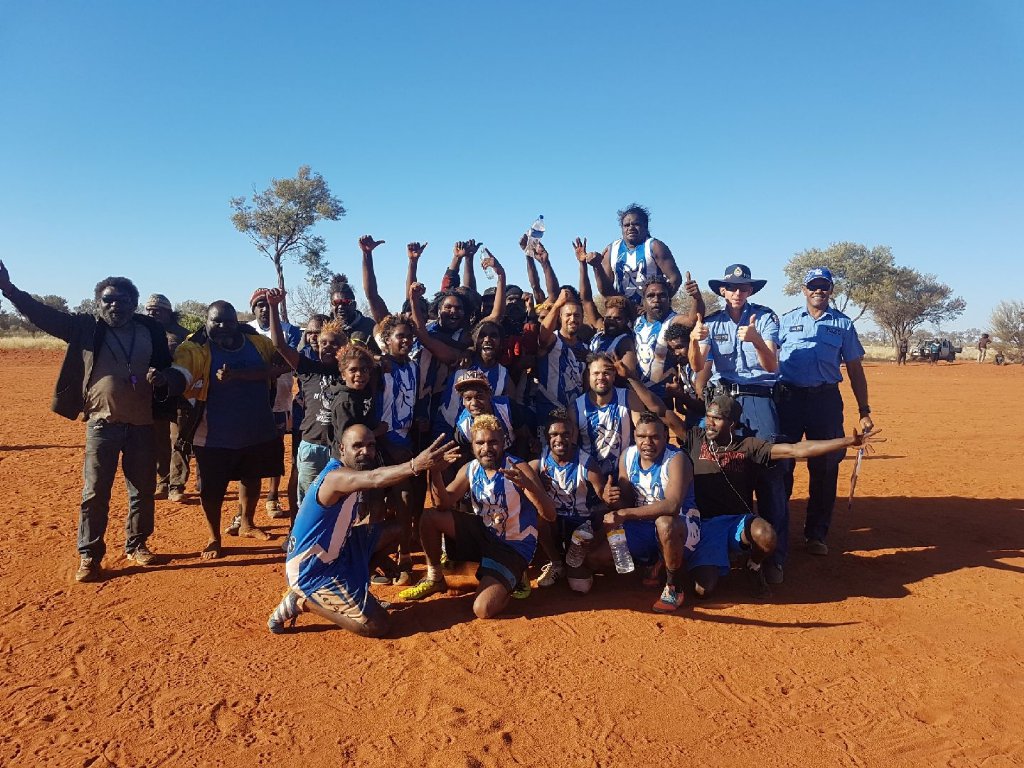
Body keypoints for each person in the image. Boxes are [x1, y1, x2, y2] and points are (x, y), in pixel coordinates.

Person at [0, 262, 174, 582]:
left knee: (143, 491)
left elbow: (167, 366)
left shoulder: (149, 330)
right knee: (95, 493)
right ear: (98, 302)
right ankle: (89, 556)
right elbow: (43, 314)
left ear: (133, 304)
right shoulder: (85, 328)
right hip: (102, 424)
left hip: (142, 424)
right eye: (107, 299)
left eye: (121, 300)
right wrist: (9, 290)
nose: (114, 305)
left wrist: (163, 377)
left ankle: (137, 545)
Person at [675, 395, 883, 597]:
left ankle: (754, 566)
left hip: (735, 522)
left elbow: (796, 450)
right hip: (705, 525)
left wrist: (847, 442)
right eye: (709, 416)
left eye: (717, 418)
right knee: (704, 590)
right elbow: (661, 412)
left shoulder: (748, 446)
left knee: (766, 534)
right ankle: (715, 557)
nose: (709, 423)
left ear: (732, 423)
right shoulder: (695, 438)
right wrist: (641, 378)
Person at [268, 428, 460, 637]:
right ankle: (302, 602)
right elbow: (375, 478)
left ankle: (357, 589)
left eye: (371, 445)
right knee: (378, 625)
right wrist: (416, 465)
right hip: (312, 569)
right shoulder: (336, 477)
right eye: (357, 446)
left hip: (338, 549)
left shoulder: (350, 473)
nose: (365, 451)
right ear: (342, 449)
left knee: (397, 530)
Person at [397, 415, 555, 619]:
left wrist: (529, 486)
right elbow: (442, 504)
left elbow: (549, 515)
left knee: (483, 609)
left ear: (504, 442)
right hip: (484, 534)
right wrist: (435, 474)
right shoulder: (470, 468)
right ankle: (435, 578)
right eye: (480, 442)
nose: (486, 448)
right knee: (430, 518)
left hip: (512, 546)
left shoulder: (517, 468)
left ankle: (513, 577)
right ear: (472, 445)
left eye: (493, 442)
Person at [166, 301, 289, 559]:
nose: (223, 327)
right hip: (212, 435)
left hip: (257, 429)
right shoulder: (195, 348)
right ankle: (214, 537)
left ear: (237, 322)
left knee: (252, 478)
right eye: (216, 321)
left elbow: (281, 365)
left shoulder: (258, 343)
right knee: (211, 489)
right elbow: (182, 373)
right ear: (206, 321)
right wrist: (168, 380)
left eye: (228, 322)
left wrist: (242, 374)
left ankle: (247, 523)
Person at [690, 263, 787, 584]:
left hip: (759, 399)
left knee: (769, 475)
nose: (736, 293)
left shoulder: (766, 317)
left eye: (743, 287)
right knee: (728, 473)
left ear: (751, 291)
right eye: (731, 287)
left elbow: (771, 364)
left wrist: (757, 339)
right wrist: (694, 341)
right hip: (724, 402)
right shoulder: (712, 322)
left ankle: (775, 556)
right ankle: (739, 549)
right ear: (722, 290)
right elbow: (698, 364)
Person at [777, 267, 874, 556]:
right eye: (813, 286)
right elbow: (767, 359)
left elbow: (855, 370)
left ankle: (816, 534)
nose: (818, 291)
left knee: (826, 467)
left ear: (831, 290)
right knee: (782, 466)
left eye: (824, 286)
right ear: (804, 290)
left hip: (826, 401)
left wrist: (864, 409)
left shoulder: (843, 325)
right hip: (788, 400)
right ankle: (778, 531)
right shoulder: (785, 321)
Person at [593, 411, 698, 613]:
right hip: (642, 523)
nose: (647, 442)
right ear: (635, 436)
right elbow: (627, 501)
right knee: (595, 559)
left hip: (681, 526)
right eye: (642, 437)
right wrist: (611, 500)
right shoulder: (628, 456)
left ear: (665, 437)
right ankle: (652, 562)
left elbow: (673, 506)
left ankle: (674, 585)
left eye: (654, 437)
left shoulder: (677, 459)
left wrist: (624, 514)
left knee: (665, 524)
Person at [530, 409, 606, 589]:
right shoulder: (539, 462)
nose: (559, 439)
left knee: (581, 587)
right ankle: (556, 562)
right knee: (536, 516)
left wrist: (608, 494)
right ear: (547, 437)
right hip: (554, 521)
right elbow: (522, 486)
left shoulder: (587, 463)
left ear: (573, 435)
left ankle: (577, 561)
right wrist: (537, 484)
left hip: (580, 523)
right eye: (554, 434)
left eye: (565, 434)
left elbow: (603, 495)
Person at [249, 288, 302, 519]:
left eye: (267, 304)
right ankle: (246, 509)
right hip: (250, 402)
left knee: (276, 448)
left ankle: (272, 497)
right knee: (250, 451)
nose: (263, 308)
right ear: (253, 308)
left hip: (280, 401)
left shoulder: (290, 331)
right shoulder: (246, 330)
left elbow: (288, 360)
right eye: (259, 304)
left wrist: (261, 370)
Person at [144, 293, 193, 502]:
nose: (152, 313)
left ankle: (176, 485)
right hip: (154, 396)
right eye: (148, 310)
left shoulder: (185, 336)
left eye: (157, 310)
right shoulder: (143, 334)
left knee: (179, 440)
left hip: (180, 396)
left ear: (169, 312)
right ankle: (162, 482)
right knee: (157, 441)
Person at [589, 203, 683, 305]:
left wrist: (656, 304)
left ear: (645, 226)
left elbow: (675, 278)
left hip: (651, 314)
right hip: (623, 313)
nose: (631, 228)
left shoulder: (655, 246)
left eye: (636, 224)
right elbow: (606, 290)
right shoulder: (611, 250)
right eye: (626, 225)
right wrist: (597, 266)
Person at [634, 275, 702, 398]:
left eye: (662, 295)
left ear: (669, 299)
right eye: (650, 296)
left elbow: (693, 320)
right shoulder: (636, 323)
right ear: (643, 301)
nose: (656, 300)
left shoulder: (672, 320)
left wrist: (697, 298)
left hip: (664, 396)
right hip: (638, 394)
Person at [329, 272, 376, 342]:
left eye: (345, 302)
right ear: (331, 305)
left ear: (354, 305)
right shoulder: (326, 328)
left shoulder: (369, 326)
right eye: (336, 302)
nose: (340, 307)